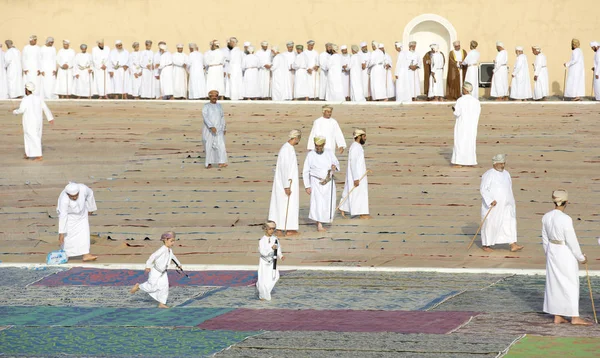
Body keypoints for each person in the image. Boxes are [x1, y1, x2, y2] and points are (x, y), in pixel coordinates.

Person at [542, 190, 592, 326]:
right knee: (571, 283)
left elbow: (545, 239)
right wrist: (581, 257)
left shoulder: (546, 216)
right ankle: (574, 317)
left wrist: (548, 254)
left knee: (554, 282)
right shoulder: (566, 219)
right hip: (564, 251)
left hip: (552, 250)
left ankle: (557, 315)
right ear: (566, 202)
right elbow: (572, 241)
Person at [480, 154, 524, 252]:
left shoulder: (506, 174)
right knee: (491, 224)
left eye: (504, 163)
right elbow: (483, 190)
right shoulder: (488, 174)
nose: (502, 166)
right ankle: (486, 245)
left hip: (507, 205)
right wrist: (490, 200)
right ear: (495, 164)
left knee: (509, 222)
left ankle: (513, 244)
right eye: (500, 164)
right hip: (493, 206)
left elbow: (509, 188)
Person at [130, 231, 182, 308]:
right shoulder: (162, 249)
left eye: (174, 241)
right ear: (166, 240)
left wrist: (178, 264)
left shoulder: (169, 250)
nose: (173, 243)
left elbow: (173, 257)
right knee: (152, 287)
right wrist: (148, 266)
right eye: (171, 241)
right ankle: (139, 286)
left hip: (163, 273)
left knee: (164, 287)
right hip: (156, 272)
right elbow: (153, 256)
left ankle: (161, 303)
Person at [303, 136, 340, 232]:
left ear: (324, 144)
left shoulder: (329, 152)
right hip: (316, 182)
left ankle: (325, 220)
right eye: (316, 145)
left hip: (328, 181)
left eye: (320, 145)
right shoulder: (310, 154)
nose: (318, 147)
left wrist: (334, 167)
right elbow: (305, 171)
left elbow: (336, 163)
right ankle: (319, 224)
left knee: (328, 202)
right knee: (317, 203)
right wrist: (307, 186)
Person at [268, 130, 301, 236]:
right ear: (296, 138)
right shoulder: (286, 150)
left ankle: (285, 228)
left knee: (285, 205)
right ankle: (284, 229)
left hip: (287, 182)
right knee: (284, 205)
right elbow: (284, 169)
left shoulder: (288, 149)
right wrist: (286, 186)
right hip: (285, 183)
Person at [56, 182, 97, 262]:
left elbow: (90, 194)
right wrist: (61, 233)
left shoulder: (83, 188)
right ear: (68, 194)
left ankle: (86, 254)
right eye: (72, 196)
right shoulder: (63, 199)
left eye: (76, 195)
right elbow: (63, 216)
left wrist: (91, 208)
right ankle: (66, 255)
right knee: (67, 237)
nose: (74, 198)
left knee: (84, 234)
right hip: (69, 216)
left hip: (82, 214)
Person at [12, 82, 54, 160]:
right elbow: (45, 108)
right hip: (38, 121)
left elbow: (21, 110)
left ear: (27, 90)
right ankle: (28, 153)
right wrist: (50, 118)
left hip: (29, 121)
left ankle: (39, 155)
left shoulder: (25, 99)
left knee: (33, 137)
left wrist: (14, 111)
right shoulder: (38, 98)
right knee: (31, 136)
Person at [339, 129, 369, 219]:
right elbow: (353, 162)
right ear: (359, 137)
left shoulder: (357, 146)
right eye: (364, 136)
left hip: (360, 174)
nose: (365, 138)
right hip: (356, 175)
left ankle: (343, 207)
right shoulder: (355, 147)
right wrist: (355, 178)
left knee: (357, 192)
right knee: (357, 193)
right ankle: (361, 213)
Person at [451, 83, 481, 167]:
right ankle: (470, 161)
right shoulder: (476, 101)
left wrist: (453, 110)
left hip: (462, 125)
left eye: (463, 89)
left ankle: (459, 162)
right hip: (472, 126)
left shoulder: (460, 100)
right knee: (470, 143)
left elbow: (457, 113)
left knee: (460, 142)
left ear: (465, 90)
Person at [256, 221, 284, 301]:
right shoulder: (262, 240)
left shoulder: (275, 238)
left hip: (272, 262)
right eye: (270, 229)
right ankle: (263, 295)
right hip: (264, 262)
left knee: (275, 277)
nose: (272, 230)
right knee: (263, 280)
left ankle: (266, 291)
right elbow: (263, 252)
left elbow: (278, 248)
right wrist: (271, 248)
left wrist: (281, 256)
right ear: (265, 229)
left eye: (273, 229)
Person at [202, 90, 227, 168]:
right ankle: (208, 163)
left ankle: (221, 162)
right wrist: (211, 126)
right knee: (209, 146)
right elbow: (205, 117)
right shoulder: (206, 106)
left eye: (216, 96)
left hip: (219, 129)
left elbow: (222, 117)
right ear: (209, 97)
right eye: (212, 96)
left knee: (221, 145)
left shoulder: (219, 106)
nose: (214, 97)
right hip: (209, 130)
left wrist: (224, 127)